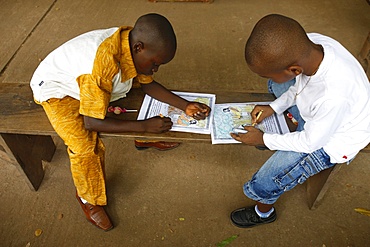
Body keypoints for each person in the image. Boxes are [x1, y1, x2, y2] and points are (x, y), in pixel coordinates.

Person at [30, 13, 211, 231]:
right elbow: (92, 122)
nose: (155, 70)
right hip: (58, 91)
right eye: (155, 63)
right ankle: (89, 199)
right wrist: (145, 126)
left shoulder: (131, 43)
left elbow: (147, 84)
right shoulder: (102, 66)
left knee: (135, 96)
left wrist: (185, 105)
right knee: (84, 146)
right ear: (139, 48)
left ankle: (141, 139)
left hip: (91, 83)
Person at [229, 14, 370, 228]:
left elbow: (310, 143)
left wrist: (264, 139)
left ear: (294, 69)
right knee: (276, 86)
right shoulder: (313, 46)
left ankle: (263, 213)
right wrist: (273, 108)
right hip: (322, 116)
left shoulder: (333, 95)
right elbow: (299, 86)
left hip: (331, 141)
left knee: (268, 178)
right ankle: (291, 122)